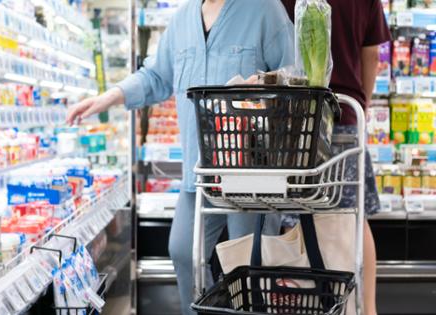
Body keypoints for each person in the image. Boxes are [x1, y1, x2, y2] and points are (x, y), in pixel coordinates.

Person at [67, 0, 294, 314]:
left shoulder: (263, 10)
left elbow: (299, 70)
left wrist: (266, 81)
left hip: (250, 171)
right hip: (199, 173)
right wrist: (110, 96)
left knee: (249, 267)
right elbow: (156, 77)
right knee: (183, 251)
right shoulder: (183, 19)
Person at [279, 1, 391, 315]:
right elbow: (371, 54)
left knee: (293, 218)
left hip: (297, 118)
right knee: (356, 219)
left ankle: (304, 305)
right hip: (346, 113)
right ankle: (367, 309)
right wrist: (362, 103)